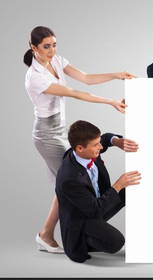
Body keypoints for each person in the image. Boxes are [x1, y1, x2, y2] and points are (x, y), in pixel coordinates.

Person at [24, 26, 136, 253]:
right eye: (46, 47)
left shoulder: (56, 61)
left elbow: (85, 78)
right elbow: (75, 93)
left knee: (62, 187)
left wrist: (116, 74)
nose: (52, 50)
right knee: (70, 180)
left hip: (59, 129)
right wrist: (111, 102)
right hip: (47, 135)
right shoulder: (34, 78)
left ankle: (46, 234)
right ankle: (78, 231)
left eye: (54, 45)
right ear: (34, 48)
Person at [56, 120, 141, 263]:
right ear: (80, 148)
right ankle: (86, 241)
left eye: (99, 142)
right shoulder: (69, 179)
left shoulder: (82, 151)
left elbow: (106, 138)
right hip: (83, 219)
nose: (101, 147)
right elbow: (96, 210)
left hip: (96, 203)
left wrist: (116, 141)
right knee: (116, 242)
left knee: (133, 190)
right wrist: (118, 185)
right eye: (96, 145)